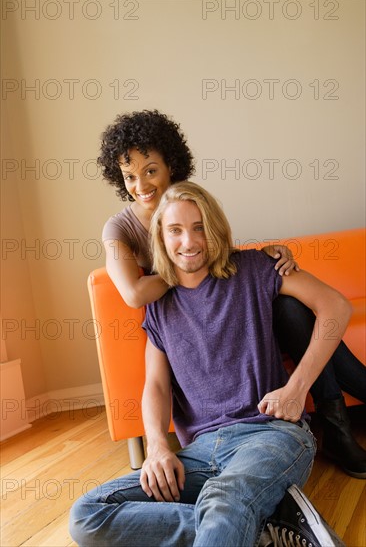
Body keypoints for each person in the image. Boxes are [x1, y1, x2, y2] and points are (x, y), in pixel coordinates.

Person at [70, 182, 350, 546]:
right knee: (88, 513)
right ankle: (261, 528)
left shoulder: (254, 267)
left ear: (214, 229)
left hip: (269, 434)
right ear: (161, 237)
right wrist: (156, 446)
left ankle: (236, 520)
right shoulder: (159, 306)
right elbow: (155, 385)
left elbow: (335, 306)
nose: (188, 242)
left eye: (198, 227)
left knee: (223, 502)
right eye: (175, 230)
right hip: (199, 452)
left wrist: (296, 389)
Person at [99, 109, 366, 478]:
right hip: (182, 319)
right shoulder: (119, 228)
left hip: (237, 317)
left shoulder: (196, 212)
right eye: (130, 176)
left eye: (150, 170)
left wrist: (257, 256)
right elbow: (133, 294)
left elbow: (222, 261)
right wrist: (187, 264)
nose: (141, 184)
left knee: (291, 308)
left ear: (171, 166)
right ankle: (337, 429)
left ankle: (336, 428)